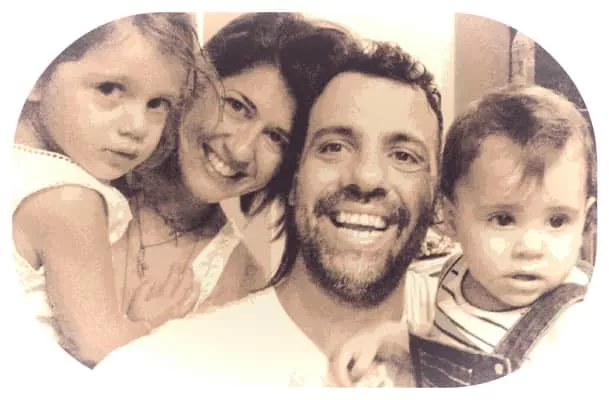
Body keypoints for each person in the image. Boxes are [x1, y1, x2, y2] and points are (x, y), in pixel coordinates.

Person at [93, 27, 444, 388]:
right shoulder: (162, 367)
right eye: (333, 147)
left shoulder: (466, 330)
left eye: (404, 156)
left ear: (440, 199)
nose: (367, 177)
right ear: (294, 180)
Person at [331, 84, 597, 387]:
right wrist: (391, 339)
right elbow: (442, 343)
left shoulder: (574, 321)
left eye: (558, 221)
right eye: (503, 219)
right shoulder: (454, 275)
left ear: (586, 219)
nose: (532, 248)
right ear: (451, 218)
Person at [12, 13, 211, 367]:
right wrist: (148, 322)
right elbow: (99, 349)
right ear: (38, 76)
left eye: (157, 104)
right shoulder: (68, 198)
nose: (137, 127)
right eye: (109, 89)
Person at [111, 12, 330, 326]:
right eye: (237, 106)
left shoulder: (245, 283)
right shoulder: (91, 169)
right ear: (196, 79)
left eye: (275, 137)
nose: (241, 150)